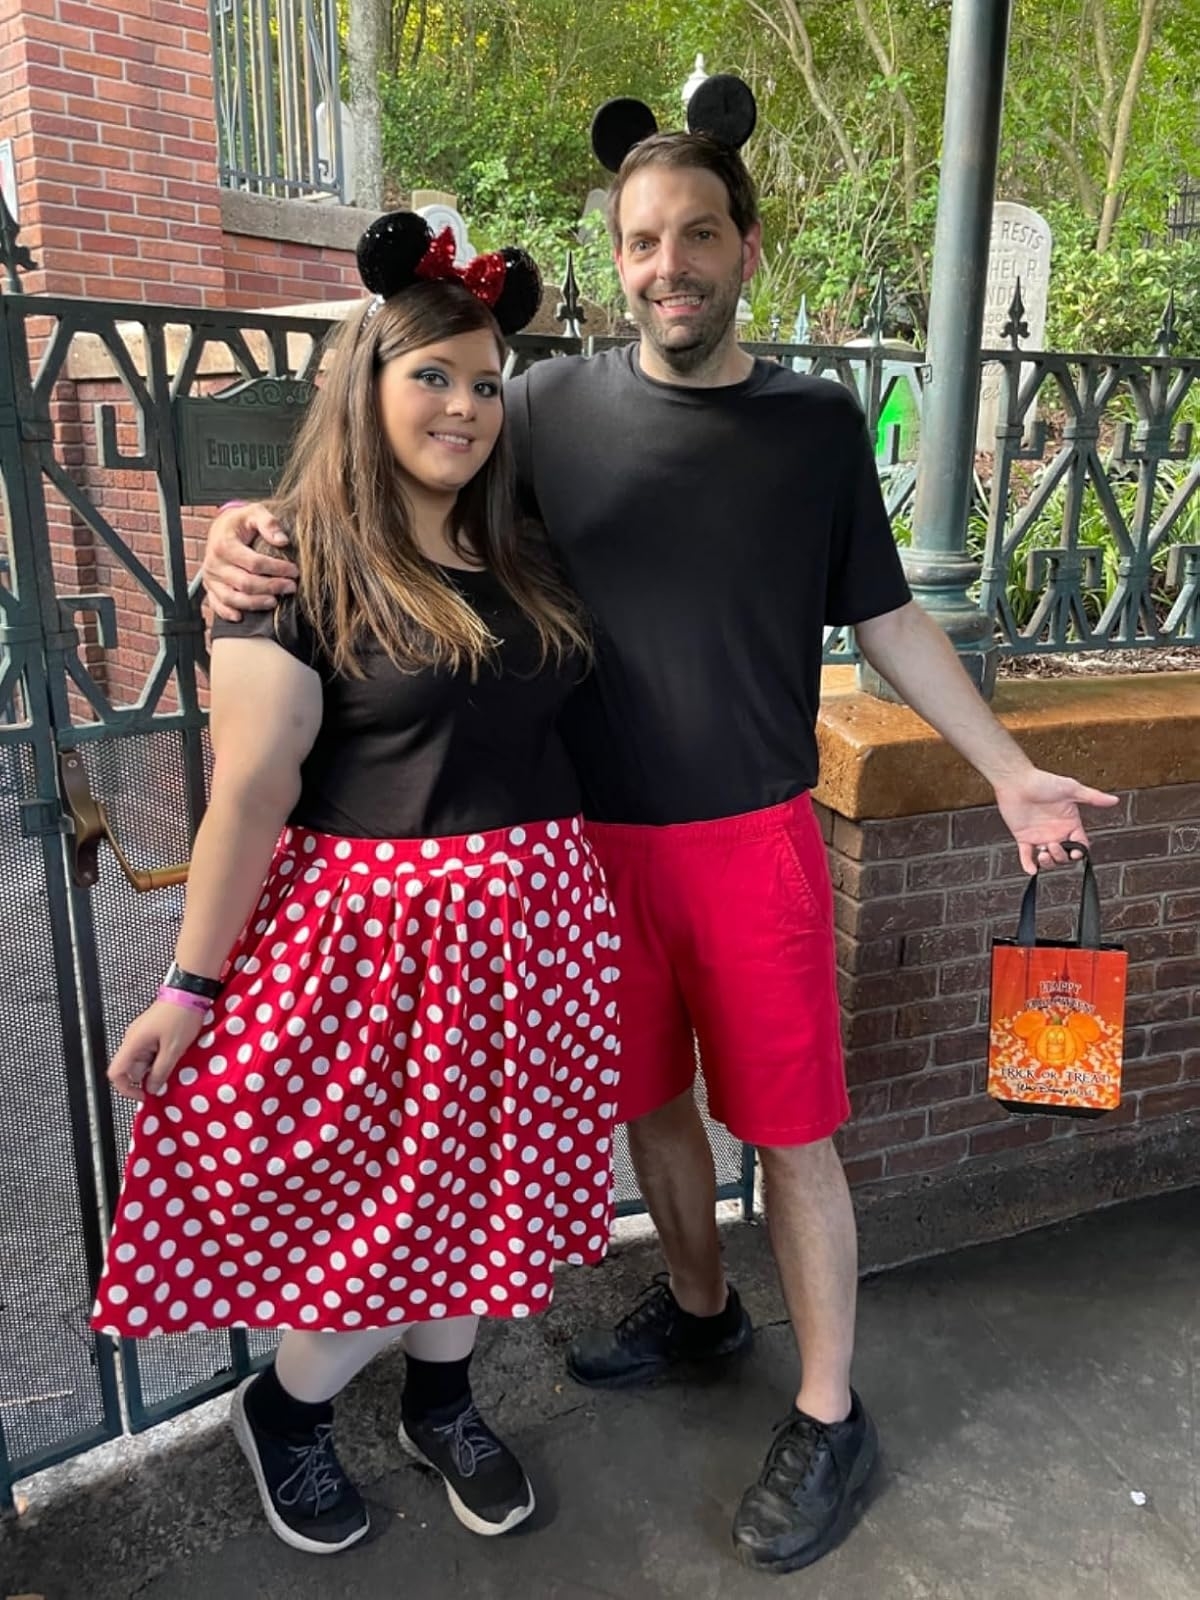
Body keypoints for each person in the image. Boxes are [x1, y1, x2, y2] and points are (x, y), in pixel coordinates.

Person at [200, 81, 1117, 1577]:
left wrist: (1007, 766)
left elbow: (888, 618)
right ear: (616, 256)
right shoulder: (539, 407)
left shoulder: (814, 428)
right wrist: (239, 544)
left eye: (697, 233)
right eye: (640, 240)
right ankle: (699, 1310)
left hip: (750, 837)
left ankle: (829, 1414)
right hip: (577, 855)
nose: (667, 263)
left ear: (747, 247)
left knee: (797, 1139)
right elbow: (386, 469)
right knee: (650, 1110)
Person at [92, 213, 621, 1558]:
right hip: (378, 960)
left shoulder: (518, 549)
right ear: (366, 385)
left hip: (532, 940)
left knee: (487, 1196)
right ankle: (288, 1408)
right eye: (430, 375)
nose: (463, 405)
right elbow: (254, 787)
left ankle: (441, 1401)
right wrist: (192, 984)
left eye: (485, 381)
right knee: (374, 1219)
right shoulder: (292, 566)